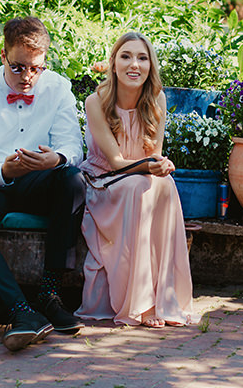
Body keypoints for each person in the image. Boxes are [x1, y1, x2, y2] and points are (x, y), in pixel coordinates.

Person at [0, 16, 85, 352]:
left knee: (73, 181)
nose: (27, 77)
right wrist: (4, 171)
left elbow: (73, 147)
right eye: (18, 67)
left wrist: (57, 159)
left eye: (36, 68)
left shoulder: (58, 88)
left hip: (38, 180)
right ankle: (20, 312)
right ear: (3, 56)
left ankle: (49, 294)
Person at [77, 32, 192, 327]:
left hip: (140, 178)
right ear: (113, 63)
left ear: (150, 66)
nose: (134, 64)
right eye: (126, 56)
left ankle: (162, 299)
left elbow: (154, 155)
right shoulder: (96, 102)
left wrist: (161, 165)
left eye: (142, 58)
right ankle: (141, 305)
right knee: (140, 186)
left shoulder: (157, 100)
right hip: (103, 182)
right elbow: (116, 163)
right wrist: (149, 167)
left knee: (164, 184)